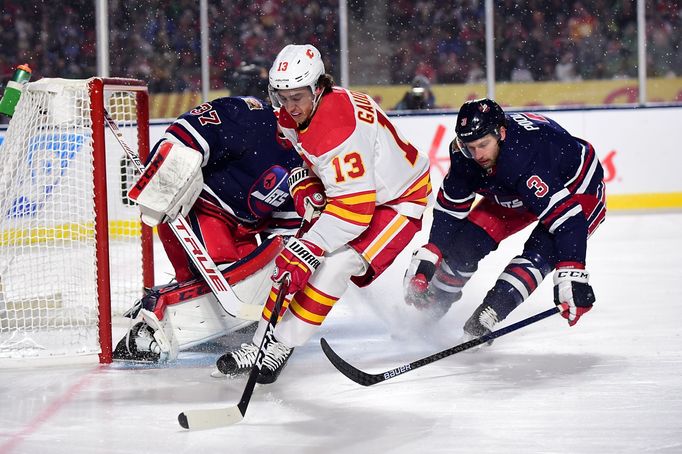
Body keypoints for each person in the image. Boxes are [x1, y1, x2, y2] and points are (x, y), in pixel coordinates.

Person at [215, 44, 432, 384]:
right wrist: (305, 182)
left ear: (318, 87)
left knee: (335, 264)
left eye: (297, 96)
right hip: (359, 191)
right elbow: (309, 156)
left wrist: (312, 245)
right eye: (282, 96)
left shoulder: (338, 129)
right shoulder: (297, 112)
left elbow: (356, 210)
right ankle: (260, 343)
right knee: (291, 259)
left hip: (399, 200)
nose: (289, 106)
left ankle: (281, 345)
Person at [113, 86, 305, 362]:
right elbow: (190, 131)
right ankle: (146, 330)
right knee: (226, 279)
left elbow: (287, 222)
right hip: (199, 208)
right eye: (289, 99)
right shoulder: (250, 117)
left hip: (244, 228)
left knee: (249, 292)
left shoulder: (309, 154)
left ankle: (180, 301)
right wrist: (169, 168)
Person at [404, 98, 606, 340]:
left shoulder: (523, 157)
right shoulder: (463, 155)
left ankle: (490, 312)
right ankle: (433, 306)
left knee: (538, 255)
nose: (477, 154)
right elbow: (450, 210)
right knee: (465, 247)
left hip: (577, 189)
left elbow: (568, 221)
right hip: (517, 187)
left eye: (483, 145)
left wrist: (572, 272)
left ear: (501, 133)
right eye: (469, 146)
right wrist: (433, 249)